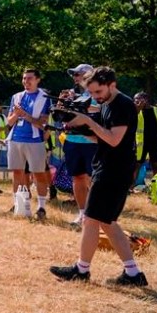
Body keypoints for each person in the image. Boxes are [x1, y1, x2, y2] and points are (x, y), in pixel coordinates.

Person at [50, 67, 148, 287]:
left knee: (91, 220)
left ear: (112, 84)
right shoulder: (107, 104)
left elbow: (114, 140)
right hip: (110, 167)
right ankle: (133, 273)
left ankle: (81, 270)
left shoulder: (122, 105)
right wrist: (80, 129)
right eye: (92, 93)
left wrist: (88, 121)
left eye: (98, 91)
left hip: (114, 170)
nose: (95, 96)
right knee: (107, 222)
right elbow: (103, 140)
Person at [6, 68, 53, 221]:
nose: (26, 81)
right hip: (15, 139)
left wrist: (25, 115)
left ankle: (41, 207)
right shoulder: (17, 96)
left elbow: (42, 124)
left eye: (30, 78)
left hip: (34, 141)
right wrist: (16, 114)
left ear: (38, 80)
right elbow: (9, 122)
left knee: (38, 174)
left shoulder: (45, 97)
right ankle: (18, 204)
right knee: (17, 173)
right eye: (24, 78)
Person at [59, 64, 99, 227]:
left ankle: (94, 215)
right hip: (72, 140)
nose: (75, 77)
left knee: (93, 180)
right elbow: (64, 116)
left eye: (78, 73)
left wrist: (79, 105)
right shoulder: (72, 94)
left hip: (92, 141)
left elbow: (102, 109)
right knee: (77, 178)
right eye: (74, 74)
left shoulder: (98, 92)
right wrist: (63, 105)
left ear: (89, 74)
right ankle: (82, 214)